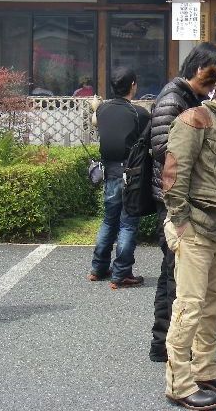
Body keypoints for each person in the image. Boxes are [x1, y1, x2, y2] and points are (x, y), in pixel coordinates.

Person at [162, 79, 216, 410]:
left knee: (212, 303)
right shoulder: (194, 119)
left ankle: (205, 367)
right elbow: (174, 172)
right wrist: (180, 221)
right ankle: (178, 384)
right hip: (196, 229)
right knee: (189, 306)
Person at [149, 42, 216, 365]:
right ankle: (173, 350)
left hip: (180, 196)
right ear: (198, 69)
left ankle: (165, 344)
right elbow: (163, 149)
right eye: (213, 79)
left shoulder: (189, 97)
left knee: (174, 274)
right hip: (173, 199)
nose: (215, 87)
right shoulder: (174, 98)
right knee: (178, 278)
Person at [88, 67, 151, 289]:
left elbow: (95, 120)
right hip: (131, 175)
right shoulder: (139, 113)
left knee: (109, 220)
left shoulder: (102, 110)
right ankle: (121, 273)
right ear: (133, 85)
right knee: (128, 224)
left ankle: (98, 268)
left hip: (109, 173)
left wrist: (95, 107)